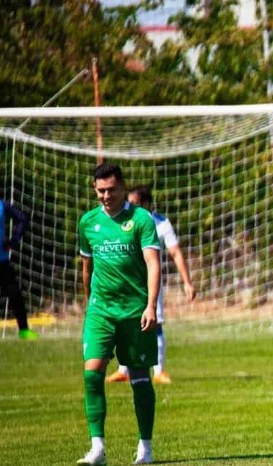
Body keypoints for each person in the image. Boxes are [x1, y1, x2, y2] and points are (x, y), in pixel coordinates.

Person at [77, 164, 161, 466]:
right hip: (101, 311)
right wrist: (89, 304)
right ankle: (97, 448)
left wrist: (151, 305)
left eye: (111, 189)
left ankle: (145, 448)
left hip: (134, 312)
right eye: (100, 190)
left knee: (139, 379)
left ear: (123, 187)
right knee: (92, 374)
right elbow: (87, 268)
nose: (106, 196)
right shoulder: (88, 222)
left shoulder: (141, 219)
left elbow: (153, 263)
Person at [107, 185, 196, 385]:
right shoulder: (124, 221)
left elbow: (175, 252)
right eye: (129, 203)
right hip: (127, 281)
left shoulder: (161, 224)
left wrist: (187, 282)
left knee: (155, 323)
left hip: (151, 282)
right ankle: (123, 370)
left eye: (135, 203)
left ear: (147, 204)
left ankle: (159, 371)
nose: (131, 207)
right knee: (125, 323)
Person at [0, 198, 37, 340]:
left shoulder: (1, 205)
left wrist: (14, 240)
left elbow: (22, 218)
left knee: (15, 296)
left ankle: (24, 330)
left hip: (1, 262)